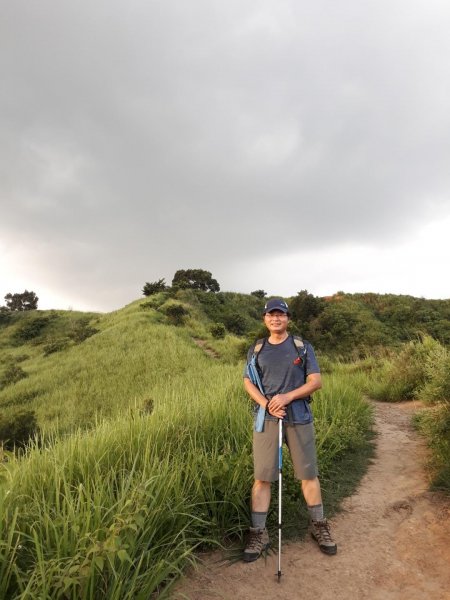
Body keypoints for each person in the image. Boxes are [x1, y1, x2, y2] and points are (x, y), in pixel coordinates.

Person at [243, 298, 337, 562]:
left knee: (308, 473)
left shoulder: (302, 347)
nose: (276, 319)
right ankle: (259, 532)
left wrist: (287, 397)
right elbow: (248, 382)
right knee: (262, 476)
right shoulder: (257, 348)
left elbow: (315, 382)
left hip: (299, 415)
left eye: (280, 315)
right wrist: (267, 404)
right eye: (271, 315)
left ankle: (319, 525)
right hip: (267, 418)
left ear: (288, 318)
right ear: (265, 319)